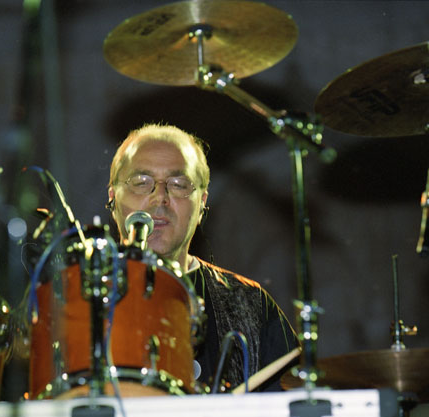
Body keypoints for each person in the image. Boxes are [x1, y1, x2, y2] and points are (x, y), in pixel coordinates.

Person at [106, 123, 299, 392]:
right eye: (140, 183)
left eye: (178, 185)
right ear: (113, 198)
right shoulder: (78, 298)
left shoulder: (250, 304)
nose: (159, 198)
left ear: (202, 204)